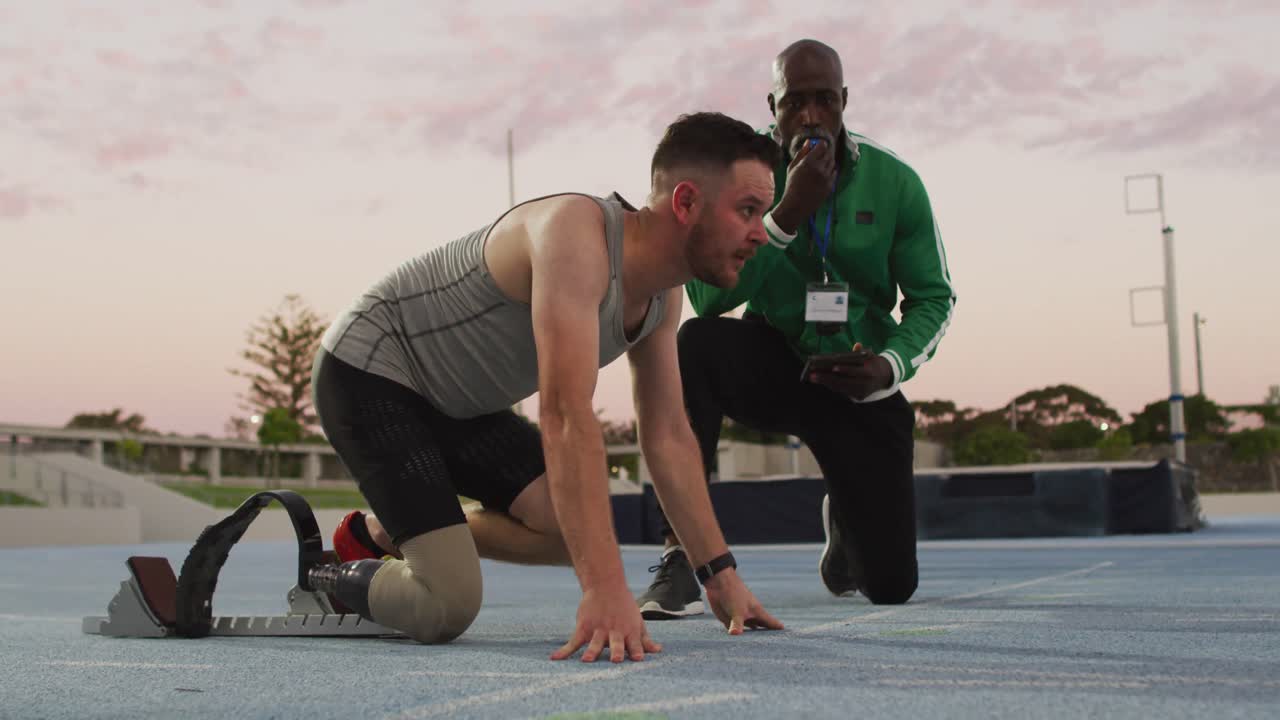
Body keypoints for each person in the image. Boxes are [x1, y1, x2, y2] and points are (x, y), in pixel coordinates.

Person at [308, 111, 785, 663]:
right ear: (685, 203)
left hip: (464, 405)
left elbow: (670, 435)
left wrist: (720, 577)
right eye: (748, 210)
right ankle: (322, 574)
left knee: (575, 529)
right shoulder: (575, 235)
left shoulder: (662, 294)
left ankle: (381, 536)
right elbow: (564, 413)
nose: (760, 232)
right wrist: (604, 590)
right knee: (447, 605)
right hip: (374, 372)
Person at [635, 39, 956, 620]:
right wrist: (784, 216)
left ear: (845, 102)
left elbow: (934, 298)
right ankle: (680, 554)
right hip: (777, 362)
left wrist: (889, 367)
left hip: (859, 380)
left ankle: (845, 532)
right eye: (795, 102)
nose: (810, 116)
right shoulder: (742, 178)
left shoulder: (896, 182)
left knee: (890, 587)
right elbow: (705, 298)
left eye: (825, 101)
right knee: (695, 347)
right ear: (773, 105)